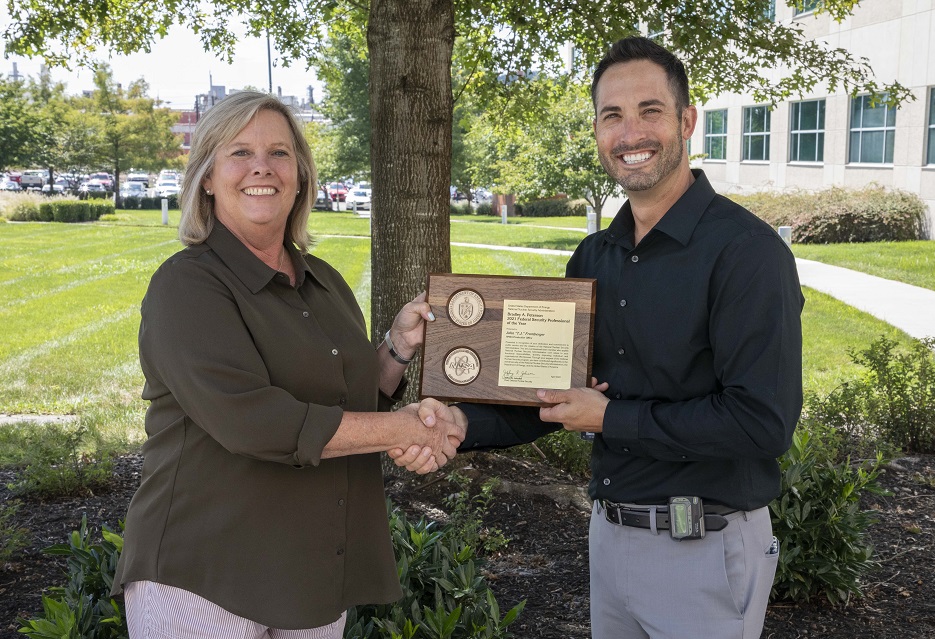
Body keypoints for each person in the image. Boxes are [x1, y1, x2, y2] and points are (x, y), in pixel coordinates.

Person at [400, 37, 804, 639]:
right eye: (612, 115)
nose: (630, 132)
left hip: (703, 548)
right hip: (610, 541)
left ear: (687, 121)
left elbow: (761, 421)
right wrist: (460, 424)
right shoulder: (596, 255)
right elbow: (555, 399)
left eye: (650, 110)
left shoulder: (746, 253)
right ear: (596, 131)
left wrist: (611, 417)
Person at [112, 90, 464, 638]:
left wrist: (395, 349)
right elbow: (253, 421)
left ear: (299, 175)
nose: (262, 167)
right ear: (207, 178)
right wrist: (408, 428)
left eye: (279, 153)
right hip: (202, 571)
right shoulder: (187, 285)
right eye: (239, 153)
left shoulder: (323, 281)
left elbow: (345, 397)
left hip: (312, 570)